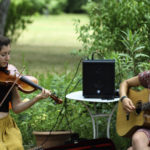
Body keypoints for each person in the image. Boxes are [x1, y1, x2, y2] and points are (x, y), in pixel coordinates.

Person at [0, 35, 51, 150]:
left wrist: (36, 98)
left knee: (16, 146)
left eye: (9, 53)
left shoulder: (10, 76)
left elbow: (17, 107)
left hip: (7, 126)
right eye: (3, 55)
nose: (7, 58)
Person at [119, 71, 150, 150]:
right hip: (147, 126)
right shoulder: (148, 76)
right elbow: (125, 83)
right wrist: (124, 98)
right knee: (137, 139)